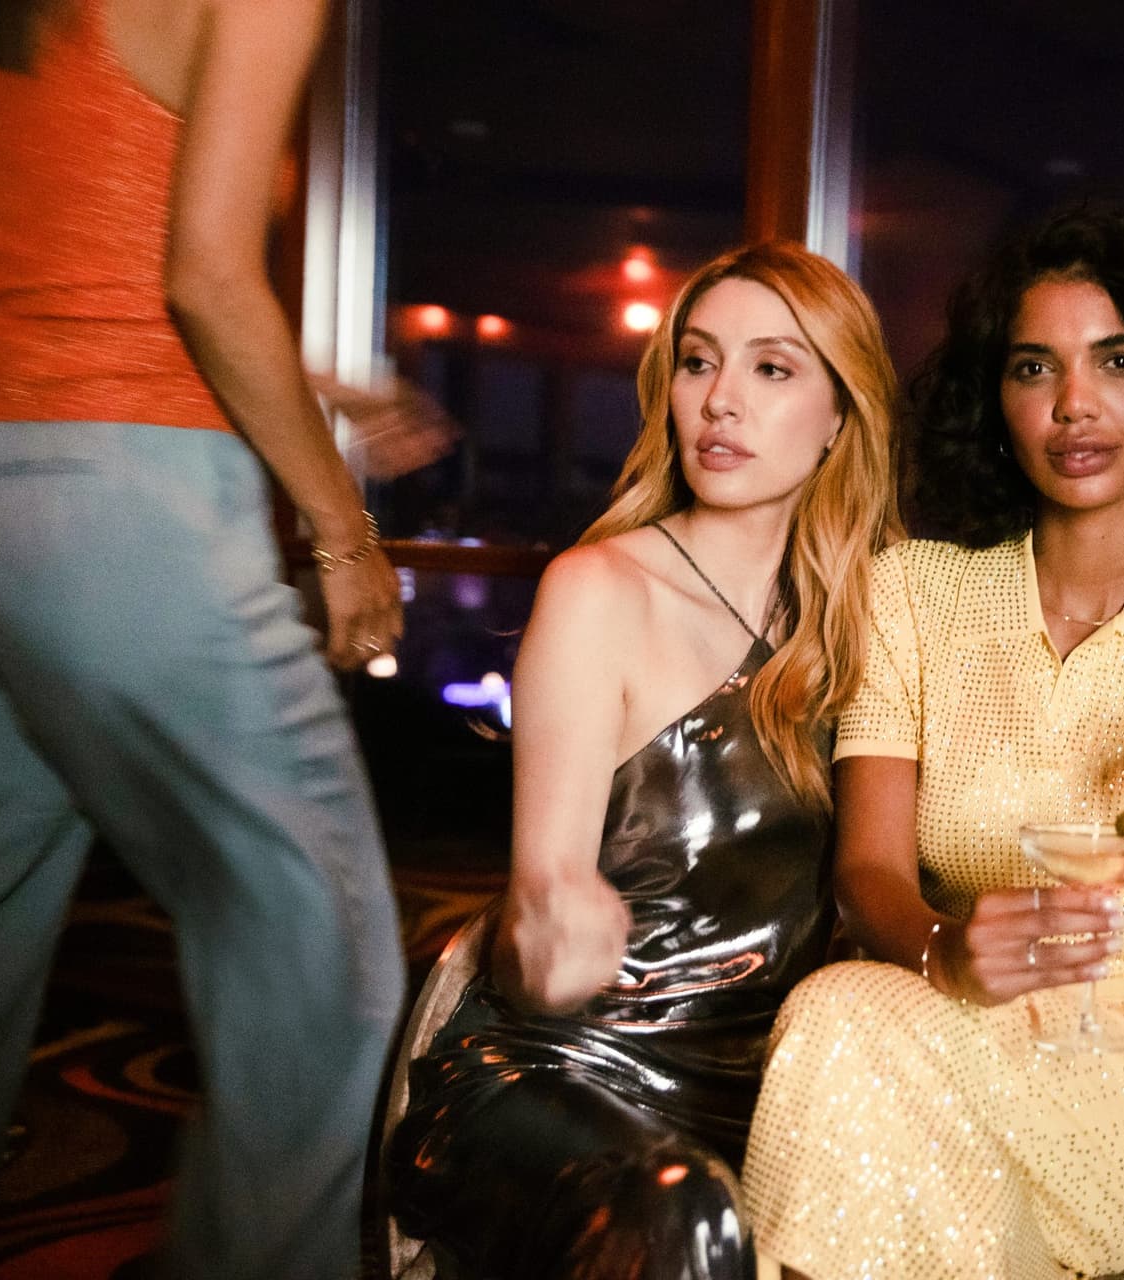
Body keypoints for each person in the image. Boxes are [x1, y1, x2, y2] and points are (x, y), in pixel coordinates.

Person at [740, 202, 1124, 1279]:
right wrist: (943, 949)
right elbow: (869, 872)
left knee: (841, 1037)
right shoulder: (914, 591)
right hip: (941, 1013)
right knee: (845, 1019)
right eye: (1034, 368)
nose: (1075, 405)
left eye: (1115, 359)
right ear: (997, 399)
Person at [0, 0, 406, 1275]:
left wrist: (312, 385)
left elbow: (54, 259)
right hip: (129, 517)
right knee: (320, 951)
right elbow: (206, 276)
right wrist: (343, 530)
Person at [385, 241, 901, 1280]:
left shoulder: (869, 622)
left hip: (765, 1092)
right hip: (559, 1075)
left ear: (842, 416)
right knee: (686, 1210)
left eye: (771, 368)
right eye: (700, 362)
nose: (719, 400)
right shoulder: (599, 588)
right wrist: (550, 913)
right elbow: (540, 910)